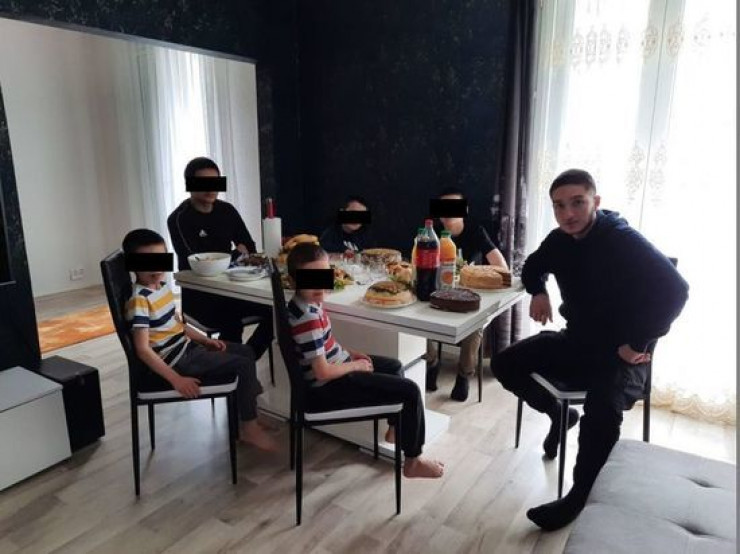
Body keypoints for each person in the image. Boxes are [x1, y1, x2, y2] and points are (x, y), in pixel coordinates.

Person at [491, 169, 688, 530]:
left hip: (622, 356)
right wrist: (538, 290)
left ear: (595, 201)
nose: (568, 214)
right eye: (559, 206)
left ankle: (579, 496)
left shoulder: (622, 240)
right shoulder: (560, 240)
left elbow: (676, 290)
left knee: (600, 410)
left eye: (577, 203)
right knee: (504, 363)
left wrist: (637, 343)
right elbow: (532, 266)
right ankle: (559, 414)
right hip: (577, 341)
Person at [286, 242, 444, 479]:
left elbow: (326, 345)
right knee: (410, 391)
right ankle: (413, 461)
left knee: (394, 366)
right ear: (293, 281)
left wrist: (351, 354)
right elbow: (322, 372)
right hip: (328, 387)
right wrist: (355, 365)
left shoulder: (307, 304)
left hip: (337, 371)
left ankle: (395, 429)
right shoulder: (307, 319)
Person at [122, 228, 277, 451]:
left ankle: (250, 409)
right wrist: (176, 380)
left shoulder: (161, 288)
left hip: (189, 348)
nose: (155, 268)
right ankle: (249, 428)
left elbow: (179, 326)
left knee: (246, 352)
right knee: (243, 363)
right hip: (178, 361)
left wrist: (205, 340)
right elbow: (142, 349)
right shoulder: (139, 301)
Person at [167, 157, 273, 359]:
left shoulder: (227, 210)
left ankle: (246, 357)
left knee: (278, 311)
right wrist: (235, 254)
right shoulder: (179, 218)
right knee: (231, 319)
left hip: (233, 289)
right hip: (201, 296)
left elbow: (249, 247)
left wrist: (224, 258)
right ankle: (233, 364)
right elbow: (196, 261)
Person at [424, 187, 509, 401]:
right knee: (415, 319)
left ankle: (464, 375)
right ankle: (431, 363)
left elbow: (502, 266)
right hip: (439, 293)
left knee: (475, 326)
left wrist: (477, 274)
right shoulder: (431, 233)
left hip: (469, 296)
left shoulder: (475, 231)